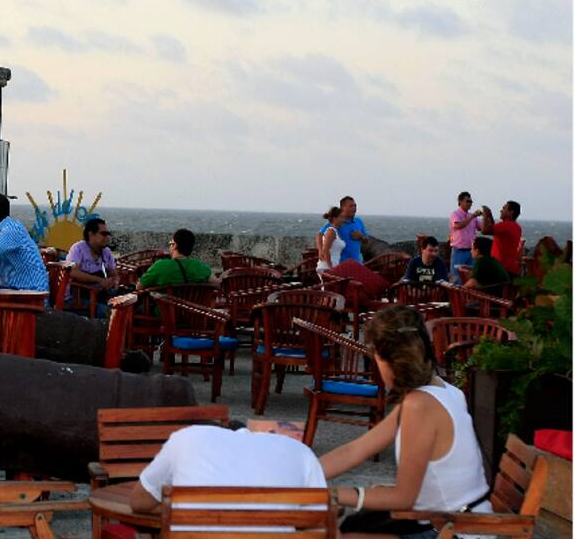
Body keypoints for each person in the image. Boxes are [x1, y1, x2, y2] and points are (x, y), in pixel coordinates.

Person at [321, 306, 491, 537]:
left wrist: (333, 494)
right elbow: (355, 450)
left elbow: (404, 497)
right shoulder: (441, 390)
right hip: (458, 521)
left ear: (385, 359)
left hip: (455, 530)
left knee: (339, 533)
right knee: (353, 525)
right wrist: (305, 473)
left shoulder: (418, 405)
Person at [128, 423, 326, 513]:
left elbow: (138, 503)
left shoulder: (186, 438)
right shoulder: (299, 450)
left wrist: (179, 506)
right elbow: (318, 521)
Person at [65, 218, 121, 315]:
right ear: (91, 234)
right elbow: (73, 272)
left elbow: (114, 274)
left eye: (108, 234)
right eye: (103, 234)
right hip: (76, 297)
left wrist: (115, 282)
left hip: (99, 294)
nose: (107, 237)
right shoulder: (78, 248)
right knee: (108, 313)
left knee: (125, 304)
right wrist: (99, 280)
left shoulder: (106, 252)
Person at [139, 228, 213, 287]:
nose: (170, 246)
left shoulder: (160, 266)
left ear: (175, 245)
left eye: (170, 243)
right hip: (192, 305)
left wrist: (149, 269)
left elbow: (139, 286)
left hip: (164, 306)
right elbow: (215, 283)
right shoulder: (200, 266)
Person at [479, 200, 522, 276]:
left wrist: (485, 215)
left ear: (511, 212)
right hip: (509, 268)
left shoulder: (506, 225)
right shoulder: (515, 226)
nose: (501, 210)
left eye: (504, 208)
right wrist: (490, 216)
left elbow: (484, 231)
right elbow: (494, 229)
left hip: (502, 268)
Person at [447, 192, 480, 273]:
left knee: (470, 276)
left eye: (471, 202)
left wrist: (487, 216)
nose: (470, 203)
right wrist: (472, 217)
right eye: (467, 201)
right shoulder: (455, 214)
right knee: (456, 277)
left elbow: (482, 228)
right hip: (459, 251)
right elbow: (458, 226)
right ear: (460, 201)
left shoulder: (472, 216)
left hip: (471, 252)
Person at [317, 207, 346, 273]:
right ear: (335, 218)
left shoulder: (335, 231)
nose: (343, 220)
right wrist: (331, 268)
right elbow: (325, 250)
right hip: (326, 268)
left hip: (332, 266)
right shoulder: (331, 231)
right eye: (341, 217)